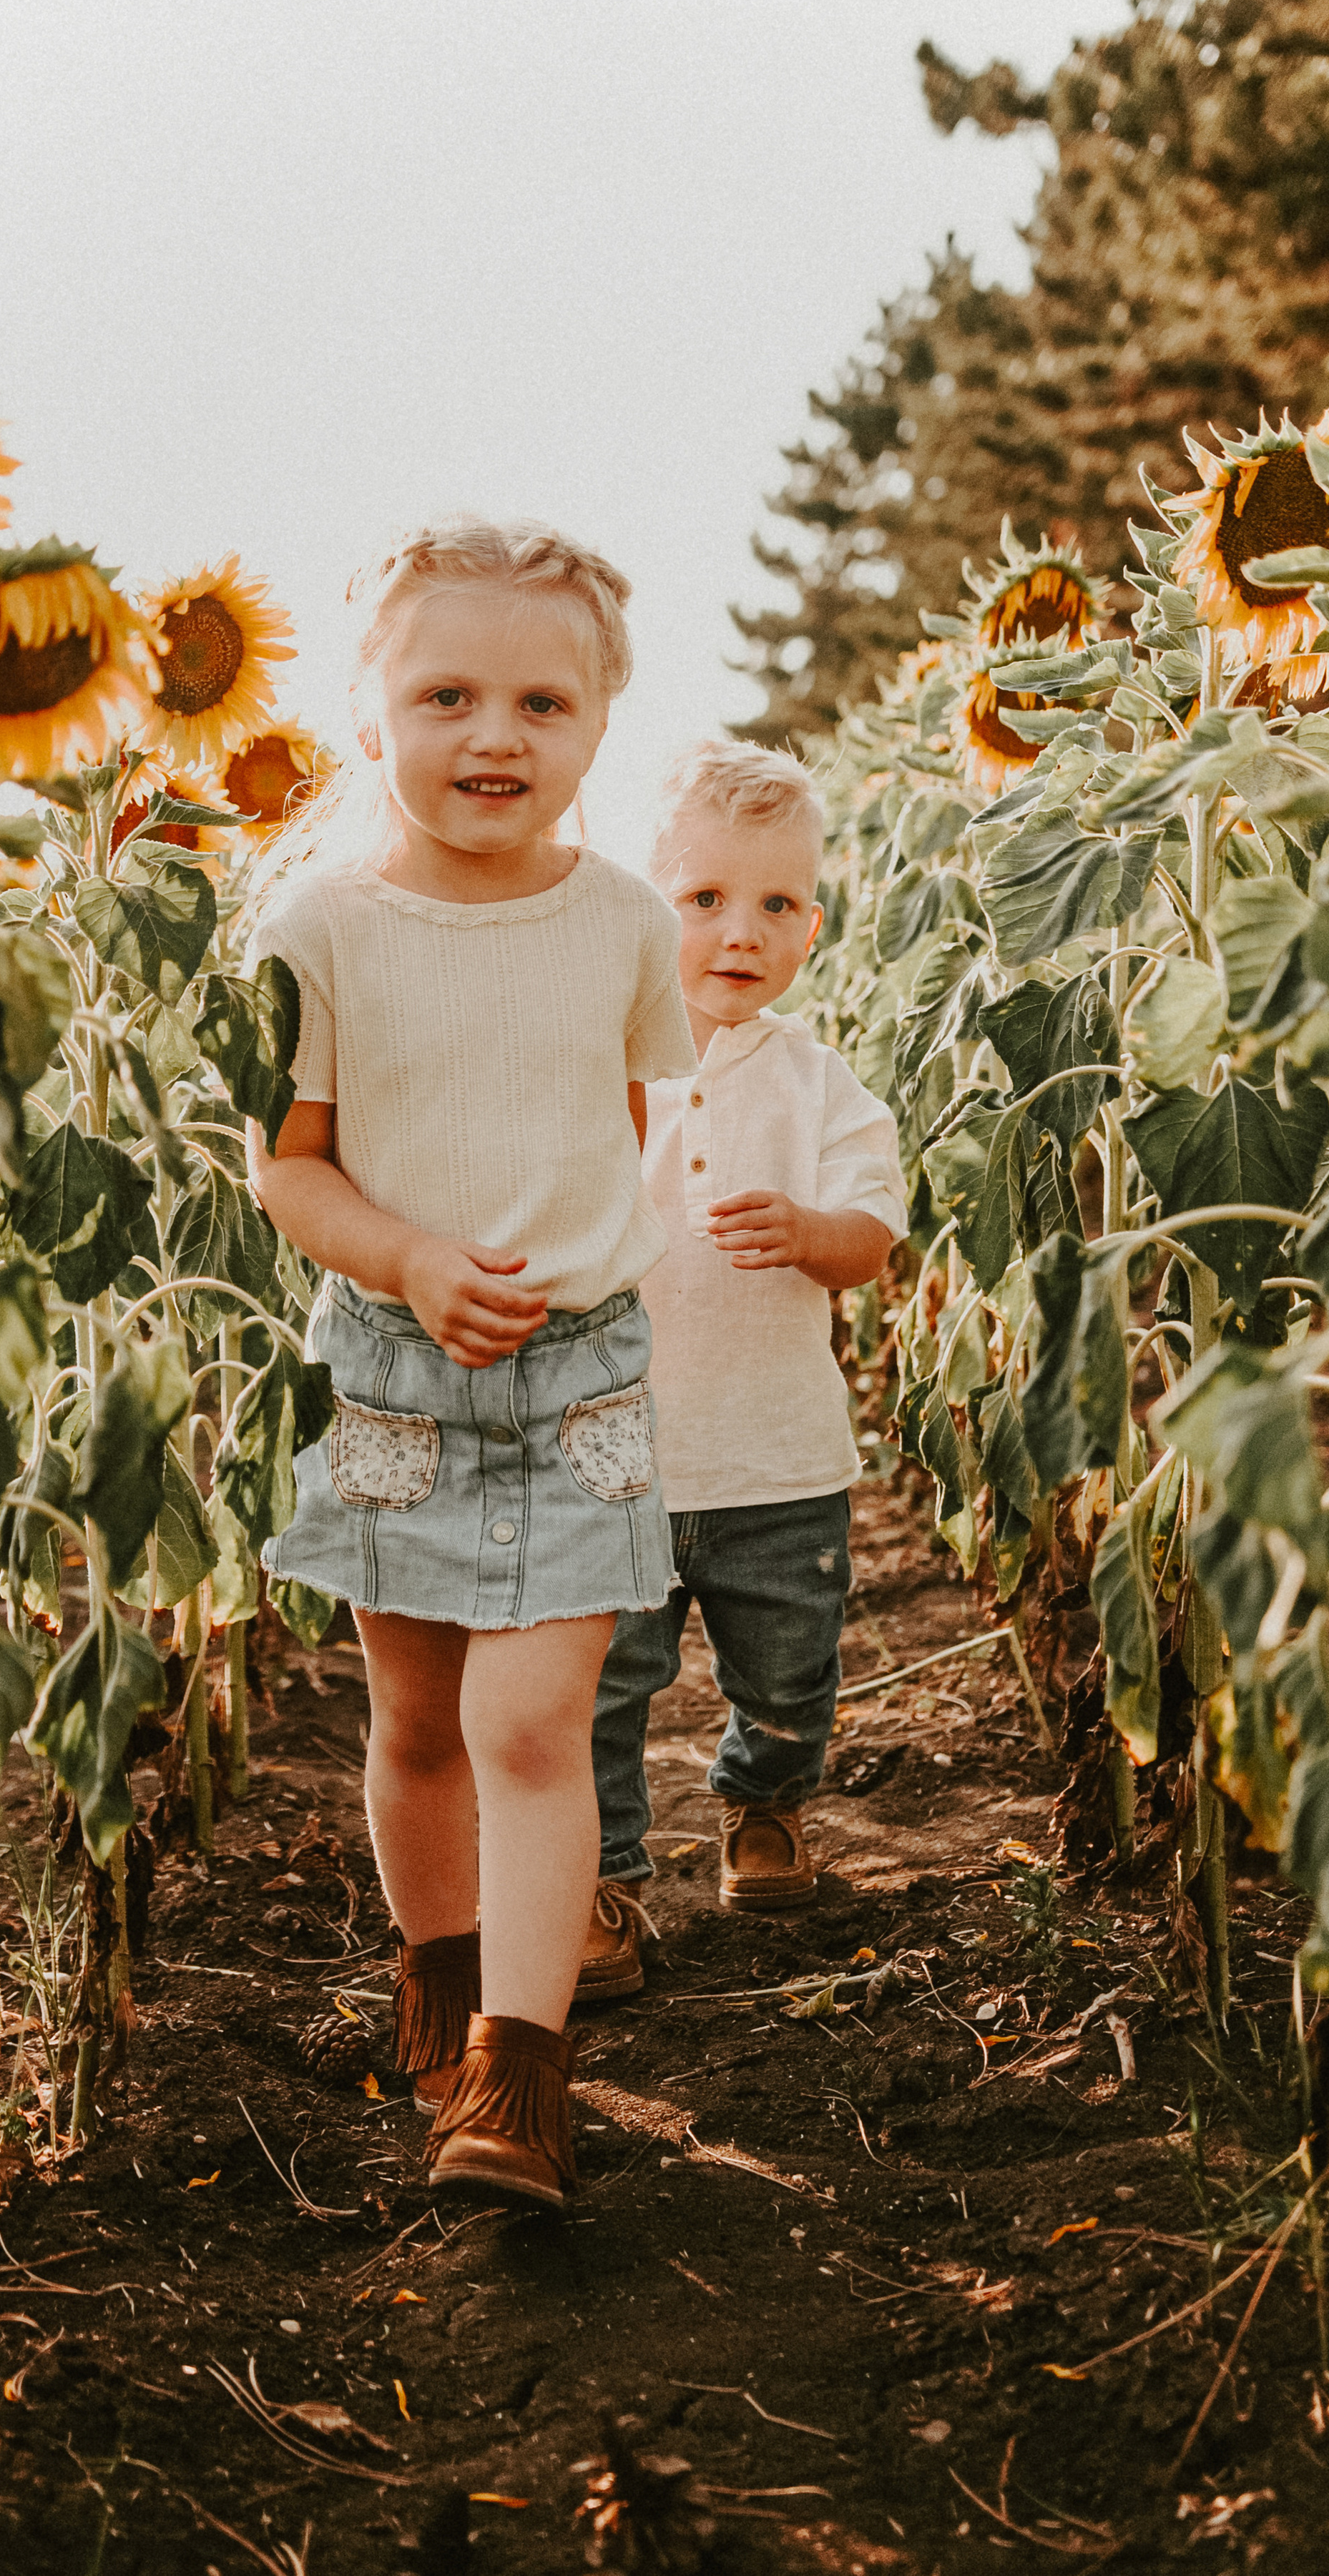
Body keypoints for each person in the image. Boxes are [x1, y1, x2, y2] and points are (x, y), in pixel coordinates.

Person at [245, 518, 697, 2206]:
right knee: (418, 1716)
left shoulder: (627, 927)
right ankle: (438, 1987)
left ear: (593, 727)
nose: (493, 735)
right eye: (445, 693)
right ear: (372, 720)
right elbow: (285, 1165)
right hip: (386, 1370)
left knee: (530, 1721)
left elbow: (624, 1122)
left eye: (539, 703)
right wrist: (415, 1261)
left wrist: (561, 1265)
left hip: (576, 1378)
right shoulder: (322, 930)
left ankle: (520, 2070)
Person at [580, 737, 908, 1997]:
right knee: (605, 1685)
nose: (741, 930)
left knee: (789, 1668)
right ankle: (603, 1873)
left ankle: (762, 1808)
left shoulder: (821, 1085)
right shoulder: (606, 1073)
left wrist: (809, 1233)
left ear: (812, 928)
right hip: (617, 1457)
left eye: (776, 904)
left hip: (778, 1456)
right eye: (705, 897)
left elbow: (871, 1238)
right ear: (641, 904)